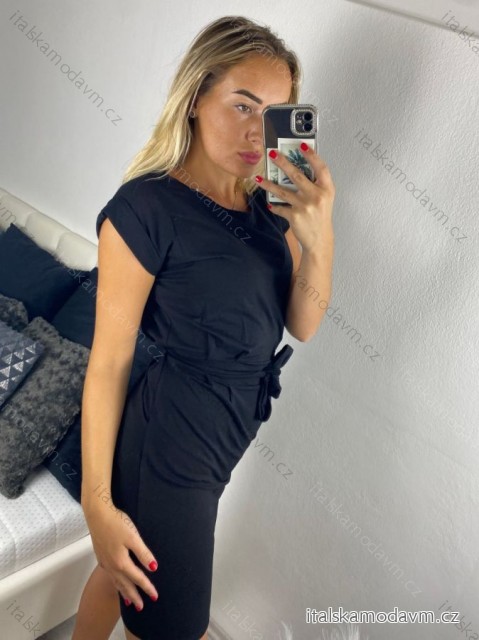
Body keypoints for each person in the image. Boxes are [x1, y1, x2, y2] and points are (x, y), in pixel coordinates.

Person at [73, 14, 335, 640]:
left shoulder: (270, 208)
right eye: (241, 104)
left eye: (271, 114)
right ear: (195, 98)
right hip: (171, 443)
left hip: (224, 436)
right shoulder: (145, 209)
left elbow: (302, 323)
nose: (256, 132)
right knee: (171, 621)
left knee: (118, 575)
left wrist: (320, 236)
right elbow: (108, 364)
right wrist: (97, 505)